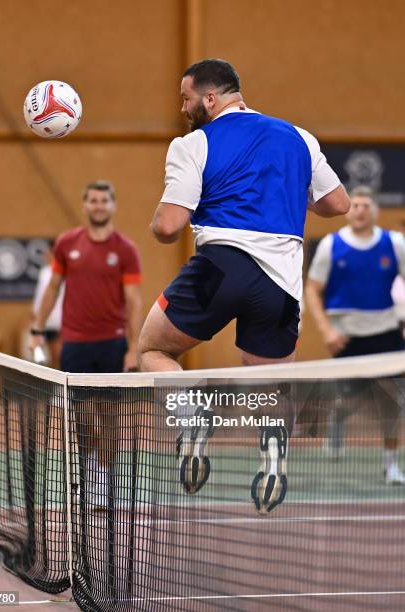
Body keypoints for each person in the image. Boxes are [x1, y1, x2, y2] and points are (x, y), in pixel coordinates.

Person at [137, 59, 350, 513]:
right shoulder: (299, 137)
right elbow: (338, 203)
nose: (182, 106)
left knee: (152, 350)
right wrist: (288, 196)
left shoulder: (193, 143)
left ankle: (192, 418)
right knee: (268, 384)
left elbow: (170, 226)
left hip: (221, 267)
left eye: (187, 97)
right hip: (280, 283)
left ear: (210, 99)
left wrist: (157, 221)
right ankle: (273, 453)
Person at [29, 179, 143, 507]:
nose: (98, 206)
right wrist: (38, 327)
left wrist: (134, 347)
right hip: (75, 344)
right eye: (92, 200)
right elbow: (52, 287)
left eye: (103, 201)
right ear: (85, 205)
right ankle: (90, 467)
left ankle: (104, 480)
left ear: (112, 206)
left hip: (112, 343)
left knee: (108, 414)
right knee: (79, 415)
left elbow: (133, 300)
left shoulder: (125, 250)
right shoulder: (67, 244)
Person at [305, 185, 405, 484]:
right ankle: (337, 419)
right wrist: (326, 330)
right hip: (346, 337)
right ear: (349, 210)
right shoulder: (331, 245)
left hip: (386, 333)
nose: (360, 210)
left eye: (366, 205)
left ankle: (391, 466)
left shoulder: (395, 243)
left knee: (394, 401)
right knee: (349, 399)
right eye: (356, 205)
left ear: (375, 211)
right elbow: (313, 289)